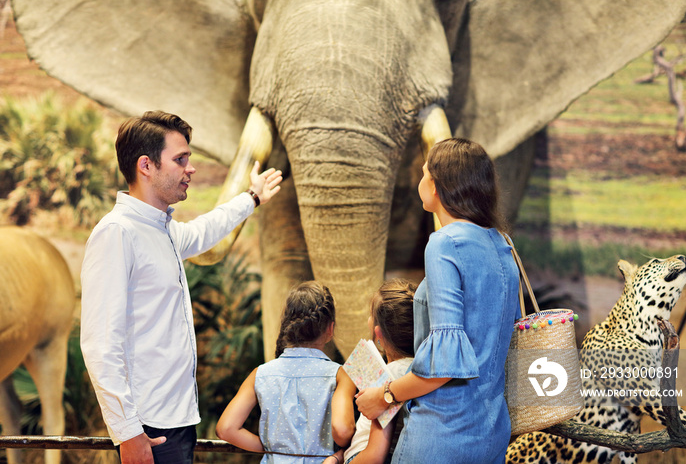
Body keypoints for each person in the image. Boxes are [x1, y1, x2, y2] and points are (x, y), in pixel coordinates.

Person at [80, 110, 283, 464]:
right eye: (180, 160)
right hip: (148, 430)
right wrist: (128, 433)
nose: (190, 169)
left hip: (177, 420)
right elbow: (99, 344)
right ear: (146, 165)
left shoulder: (164, 230)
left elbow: (206, 229)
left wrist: (251, 197)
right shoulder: (117, 233)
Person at [355, 138, 520, 463]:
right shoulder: (503, 244)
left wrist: (383, 396)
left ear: (438, 186)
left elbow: (443, 367)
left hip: (443, 434)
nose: (421, 178)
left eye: (424, 172)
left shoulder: (444, 243)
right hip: (493, 432)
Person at [216, 281, 357, 463]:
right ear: (330, 329)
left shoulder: (260, 374)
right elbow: (343, 430)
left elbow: (226, 428)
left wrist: (270, 448)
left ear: (288, 326)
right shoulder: (339, 374)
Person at [326, 278, 416, 464]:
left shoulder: (384, 378)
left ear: (378, 333)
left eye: (370, 315)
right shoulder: (423, 372)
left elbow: (374, 456)